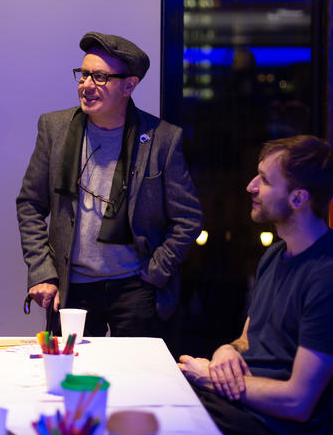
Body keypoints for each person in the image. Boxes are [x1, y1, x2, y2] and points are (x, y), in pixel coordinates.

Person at [177, 135, 333, 435]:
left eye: (265, 180)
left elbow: (297, 401)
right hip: (242, 407)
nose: (251, 186)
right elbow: (246, 339)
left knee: (150, 425)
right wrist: (227, 350)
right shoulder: (277, 253)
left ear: (298, 198)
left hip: (275, 431)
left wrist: (211, 378)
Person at [16, 31, 202, 337]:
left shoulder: (162, 139)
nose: (86, 85)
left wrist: (155, 272)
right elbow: (30, 204)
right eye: (84, 74)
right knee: (72, 377)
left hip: (134, 288)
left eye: (100, 77)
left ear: (129, 85)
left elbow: (189, 219)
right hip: (72, 287)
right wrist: (41, 270)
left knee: (135, 380)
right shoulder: (55, 129)